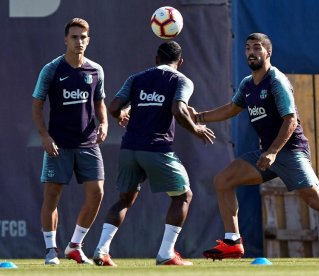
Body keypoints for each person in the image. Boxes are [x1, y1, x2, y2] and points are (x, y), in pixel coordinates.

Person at [193, 33, 319, 263]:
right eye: (248, 48)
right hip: (267, 154)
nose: (251, 52)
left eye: (257, 48)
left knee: (318, 201)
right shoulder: (246, 84)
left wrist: (273, 152)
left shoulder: (276, 80)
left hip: (291, 151)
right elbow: (232, 109)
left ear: (268, 53)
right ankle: (233, 243)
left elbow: (290, 120)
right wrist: (199, 116)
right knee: (223, 180)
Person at [92, 40, 215, 266]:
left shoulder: (136, 78)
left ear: (156, 59)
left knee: (124, 200)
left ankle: (101, 250)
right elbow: (178, 110)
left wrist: (121, 115)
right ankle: (166, 253)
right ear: (181, 62)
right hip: (156, 149)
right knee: (183, 196)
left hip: (129, 148)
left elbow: (112, 107)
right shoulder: (182, 80)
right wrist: (196, 128)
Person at [32, 18, 108, 265]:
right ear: (66, 40)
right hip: (59, 144)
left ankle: (75, 245)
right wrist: (44, 135)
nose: (79, 41)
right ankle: (50, 250)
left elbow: (99, 102)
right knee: (52, 196)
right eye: (74, 37)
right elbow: (37, 104)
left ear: (89, 40)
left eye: (83, 37)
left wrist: (104, 123)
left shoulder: (95, 70)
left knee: (97, 192)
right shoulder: (52, 70)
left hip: (88, 143)